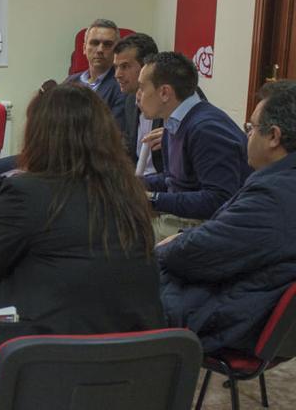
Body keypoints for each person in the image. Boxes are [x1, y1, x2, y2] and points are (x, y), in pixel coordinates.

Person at [0, 83, 164, 409]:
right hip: (133, 361)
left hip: (51, 365)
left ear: (40, 136)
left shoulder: (28, 193)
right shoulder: (128, 193)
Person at [157, 80, 296, 353]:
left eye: (251, 128)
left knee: (112, 294)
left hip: (232, 317)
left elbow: (200, 254)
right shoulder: (281, 184)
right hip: (252, 304)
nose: (247, 135)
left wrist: (161, 250)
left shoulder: (274, 195)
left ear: (274, 137)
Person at [0, 18, 125, 208]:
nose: (100, 49)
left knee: (26, 185)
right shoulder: (72, 80)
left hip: (82, 161)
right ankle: (14, 228)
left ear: (116, 50)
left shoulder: (119, 86)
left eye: (108, 44)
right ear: (84, 48)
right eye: (94, 43)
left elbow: (114, 136)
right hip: (50, 153)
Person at [137, 52, 251, 238]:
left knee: (117, 234)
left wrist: (152, 199)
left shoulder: (206, 129)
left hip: (212, 227)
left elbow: (218, 199)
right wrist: (136, 184)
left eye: (142, 88)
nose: (138, 96)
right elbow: (174, 179)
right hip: (185, 217)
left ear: (164, 92)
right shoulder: (175, 121)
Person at [112, 33, 162, 173]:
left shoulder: (172, 95)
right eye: (116, 67)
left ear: (147, 67)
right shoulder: (129, 100)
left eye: (125, 66)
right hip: (137, 181)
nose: (117, 74)